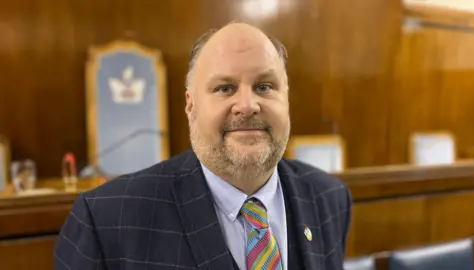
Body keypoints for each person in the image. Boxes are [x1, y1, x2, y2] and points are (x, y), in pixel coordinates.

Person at [54, 22, 352, 270]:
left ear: (286, 99)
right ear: (191, 105)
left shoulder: (330, 198)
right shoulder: (106, 222)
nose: (247, 106)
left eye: (264, 86)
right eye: (225, 88)